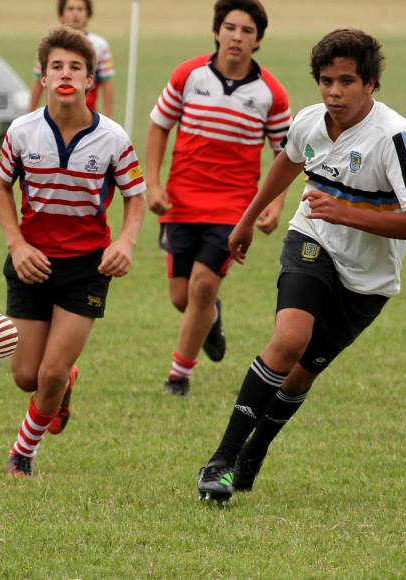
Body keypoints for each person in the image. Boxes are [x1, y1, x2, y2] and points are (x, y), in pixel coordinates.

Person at [196, 29, 406, 503]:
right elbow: (286, 162)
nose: (334, 92)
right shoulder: (309, 121)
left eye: (346, 81)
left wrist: (344, 212)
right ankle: (221, 460)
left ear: (370, 83)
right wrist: (245, 221)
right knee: (289, 340)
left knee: (303, 372)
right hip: (312, 239)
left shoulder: (396, 138)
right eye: (326, 81)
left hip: (369, 280)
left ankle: (254, 453)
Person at [0, 27, 145, 477]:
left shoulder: (112, 138)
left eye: (75, 67)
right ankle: (63, 384)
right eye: (56, 66)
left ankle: (23, 454)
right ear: (41, 75)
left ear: (89, 79)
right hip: (31, 263)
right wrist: (16, 244)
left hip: (86, 267)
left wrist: (126, 241)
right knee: (25, 375)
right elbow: (0, 187)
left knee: (50, 373)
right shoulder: (21, 132)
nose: (65, 74)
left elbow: (136, 195)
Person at [145, 0, 291, 396]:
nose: (237, 37)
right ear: (216, 31)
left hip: (233, 207)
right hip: (181, 203)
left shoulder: (270, 93)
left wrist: (274, 205)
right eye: (230, 27)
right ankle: (212, 321)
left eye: (246, 31)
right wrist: (154, 185)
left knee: (203, 286)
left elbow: (285, 154)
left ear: (257, 39)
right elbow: (159, 126)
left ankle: (178, 376)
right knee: (182, 296)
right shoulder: (188, 75)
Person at [28, 0, 115, 118]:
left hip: (87, 114)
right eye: (70, 9)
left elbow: (107, 84)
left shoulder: (100, 45)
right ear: (61, 14)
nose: (75, 14)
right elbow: (38, 81)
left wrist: (108, 117)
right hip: (55, 114)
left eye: (80, 9)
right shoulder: (49, 45)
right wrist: (30, 113)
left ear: (87, 14)